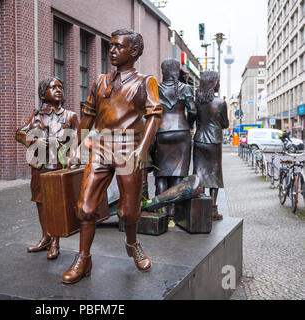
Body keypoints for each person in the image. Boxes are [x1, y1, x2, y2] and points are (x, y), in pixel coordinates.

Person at [61, 29, 163, 284]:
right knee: (85, 207)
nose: (112, 50)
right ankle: (83, 258)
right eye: (110, 46)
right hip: (101, 146)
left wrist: (142, 149)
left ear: (135, 52)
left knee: (128, 213)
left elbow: (154, 116)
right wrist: (75, 145)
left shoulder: (145, 81)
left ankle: (132, 242)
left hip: (130, 148)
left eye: (119, 46)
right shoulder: (100, 81)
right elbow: (87, 115)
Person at [15, 77, 79, 260]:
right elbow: (19, 133)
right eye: (53, 87)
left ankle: (56, 242)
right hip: (40, 166)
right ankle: (46, 238)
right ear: (43, 94)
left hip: (59, 167)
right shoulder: (37, 116)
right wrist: (35, 140)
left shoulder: (70, 116)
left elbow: (78, 140)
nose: (59, 90)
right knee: (41, 203)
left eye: (61, 86)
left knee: (56, 205)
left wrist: (72, 160)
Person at [150, 59, 196, 216]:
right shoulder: (186, 89)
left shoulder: (155, 89)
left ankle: (160, 209)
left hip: (161, 132)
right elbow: (193, 111)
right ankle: (174, 211)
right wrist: (188, 125)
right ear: (177, 72)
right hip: (181, 132)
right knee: (178, 174)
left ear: (163, 72)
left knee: (161, 173)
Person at [192, 71, 229, 221]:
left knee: (199, 173)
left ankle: (200, 207)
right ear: (213, 83)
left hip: (199, 139)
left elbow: (193, 119)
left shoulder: (197, 102)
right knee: (214, 174)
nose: (219, 84)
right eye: (218, 81)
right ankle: (213, 208)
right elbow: (225, 124)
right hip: (214, 141)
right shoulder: (220, 103)